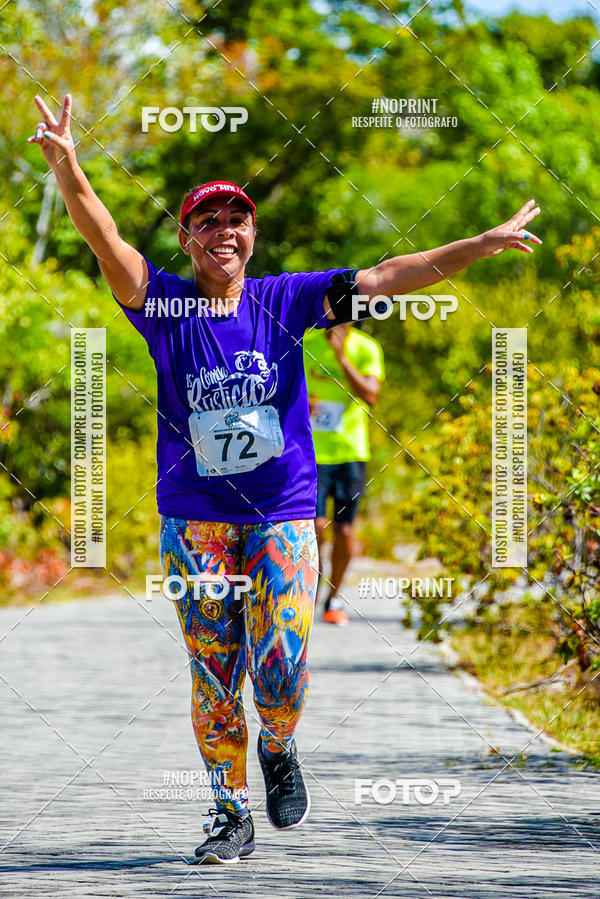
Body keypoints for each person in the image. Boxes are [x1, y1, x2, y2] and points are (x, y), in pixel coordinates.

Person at [29, 92, 541, 864]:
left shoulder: (286, 299)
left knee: (280, 664)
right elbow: (105, 238)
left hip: (282, 509)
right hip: (196, 517)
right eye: (207, 221)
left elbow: (388, 276)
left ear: (253, 234)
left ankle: (278, 742)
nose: (223, 231)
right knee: (213, 672)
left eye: (236, 219)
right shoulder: (162, 304)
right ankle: (229, 811)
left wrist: (479, 242)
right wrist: (69, 165)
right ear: (187, 237)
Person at [304, 322, 384, 625]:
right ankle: (312, 586)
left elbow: (370, 395)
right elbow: (282, 387)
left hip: (350, 452)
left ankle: (334, 598)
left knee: (345, 530)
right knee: (314, 525)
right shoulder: (306, 343)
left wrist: (341, 357)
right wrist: (301, 403)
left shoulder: (366, 347)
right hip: (312, 452)